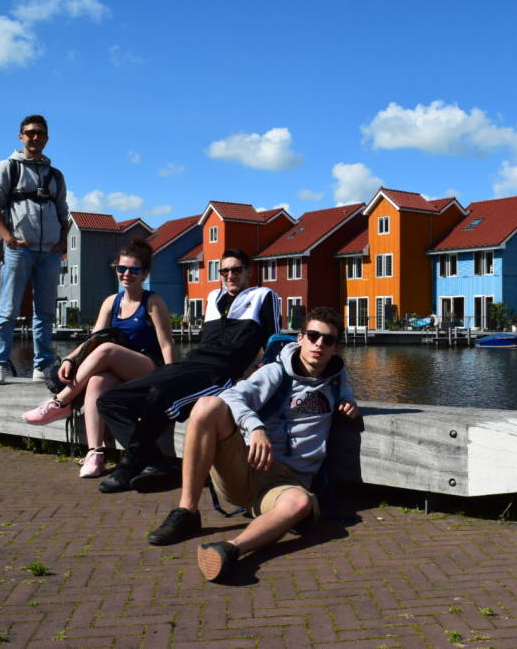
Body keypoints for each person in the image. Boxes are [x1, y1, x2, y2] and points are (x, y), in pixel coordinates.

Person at [145, 306, 358, 584]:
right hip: (247, 467)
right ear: (300, 338)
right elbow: (232, 395)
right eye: (314, 336)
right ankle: (187, 512)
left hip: (286, 483)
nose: (319, 344)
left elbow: (348, 397)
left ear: (335, 348)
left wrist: (350, 406)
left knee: (300, 501)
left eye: (327, 340)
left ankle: (229, 549)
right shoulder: (275, 372)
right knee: (207, 406)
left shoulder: (337, 378)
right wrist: (255, 427)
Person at [96, 249, 280, 494]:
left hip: (219, 375)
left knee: (161, 393)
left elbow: (274, 343)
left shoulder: (262, 296)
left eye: (236, 270)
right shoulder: (214, 297)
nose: (230, 275)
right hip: (189, 365)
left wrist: (266, 377)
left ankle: (129, 464)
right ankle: (155, 461)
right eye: (224, 271)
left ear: (248, 272)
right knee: (110, 400)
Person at [21, 238, 175, 478]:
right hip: (117, 370)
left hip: (148, 368)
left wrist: (172, 381)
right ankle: (96, 454)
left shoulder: (153, 302)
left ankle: (60, 402)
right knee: (96, 382)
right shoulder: (110, 303)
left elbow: (166, 344)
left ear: (144, 273)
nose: (126, 274)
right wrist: (69, 360)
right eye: (121, 269)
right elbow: (91, 341)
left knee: (106, 351)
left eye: (133, 270)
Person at [0, 114, 70, 386]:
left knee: (45, 313)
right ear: (20, 136)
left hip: (49, 253)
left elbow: (63, 213)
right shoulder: (8, 167)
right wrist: (8, 238)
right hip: (19, 249)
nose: (35, 138)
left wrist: (61, 243)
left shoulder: (55, 175)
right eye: (30, 133)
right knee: (8, 310)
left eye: (40, 134)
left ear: (46, 138)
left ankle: (42, 367)